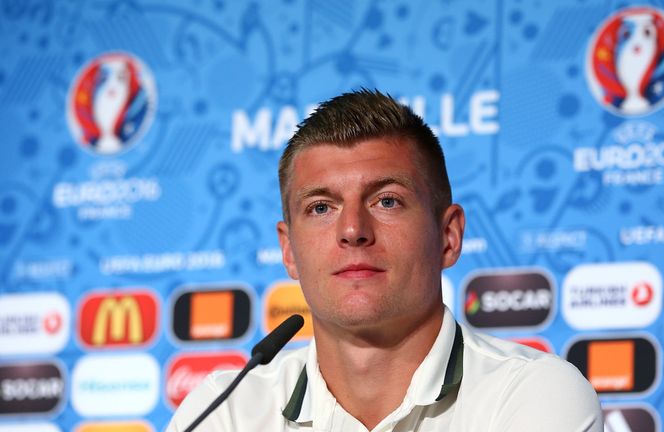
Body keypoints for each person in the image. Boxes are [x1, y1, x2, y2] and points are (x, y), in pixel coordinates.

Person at [167, 89, 603, 431]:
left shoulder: (532, 391)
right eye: (321, 207)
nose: (353, 230)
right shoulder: (225, 411)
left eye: (387, 201)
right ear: (288, 251)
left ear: (449, 237)